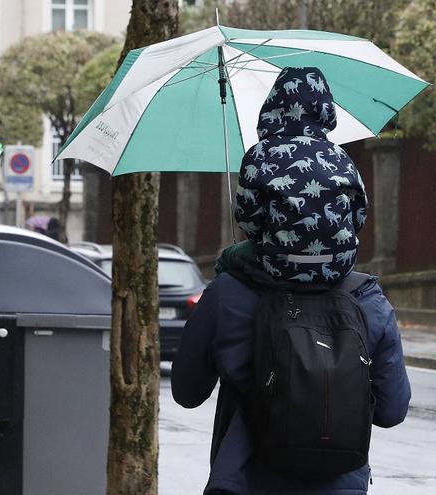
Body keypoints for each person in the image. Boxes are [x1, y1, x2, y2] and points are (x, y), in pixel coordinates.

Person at [172, 67, 410, 495]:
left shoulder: (229, 293)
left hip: (246, 482)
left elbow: (187, 392)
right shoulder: (367, 300)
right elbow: (392, 410)